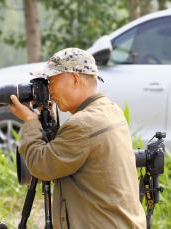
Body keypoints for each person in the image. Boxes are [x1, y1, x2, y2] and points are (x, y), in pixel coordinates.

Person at [9, 48, 146, 229]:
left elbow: (41, 166)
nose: (49, 91)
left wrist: (30, 121)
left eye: (51, 82)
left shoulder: (82, 124)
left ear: (74, 79)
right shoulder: (110, 110)